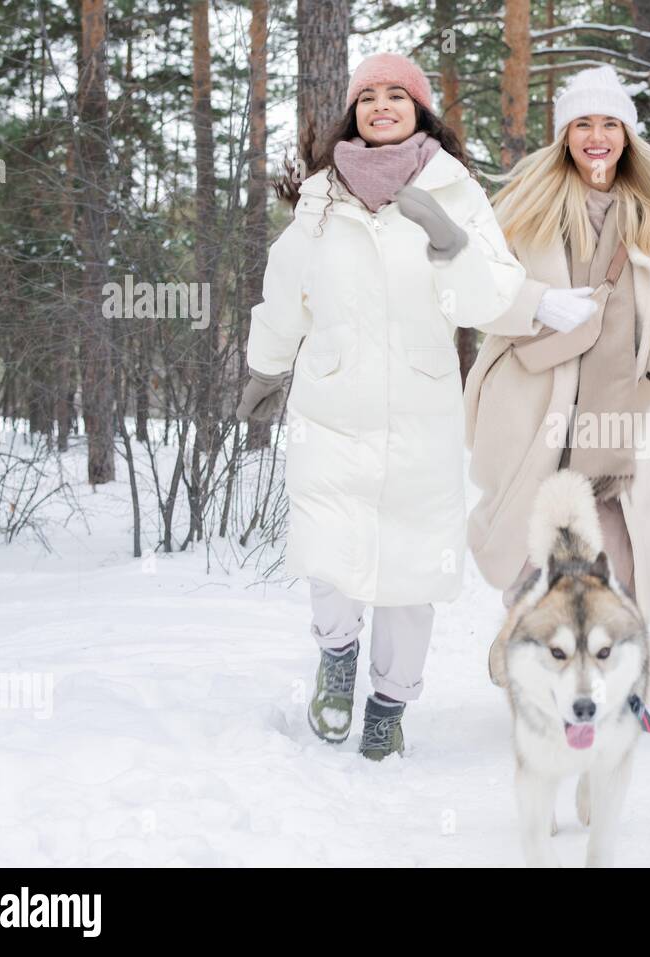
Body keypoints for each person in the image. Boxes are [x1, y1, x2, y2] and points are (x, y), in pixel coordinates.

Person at [237, 53, 535, 759]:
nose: (379, 106)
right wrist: (265, 368)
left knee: (410, 567)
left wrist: (449, 242)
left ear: (420, 109)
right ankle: (336, 660)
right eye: (366, 96)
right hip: (331, 405)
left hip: (420, 410)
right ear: (353, 111)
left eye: (395, 95)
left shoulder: (455, 189)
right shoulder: (321, 195)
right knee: (328, 545)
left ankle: (389, 704)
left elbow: (494, 299)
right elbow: (288, 289)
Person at [463, 65, 650, 650]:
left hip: (624, 426)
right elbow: (475, 296)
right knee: (528, 559)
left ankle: (617, 670)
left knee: (624, 567)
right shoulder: (526, 209)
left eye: (609, 123)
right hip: (541, 417)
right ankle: (525, 656)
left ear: (627, 136)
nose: (596, 136)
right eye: (582, 124)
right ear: (565, 136)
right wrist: (537, 304)